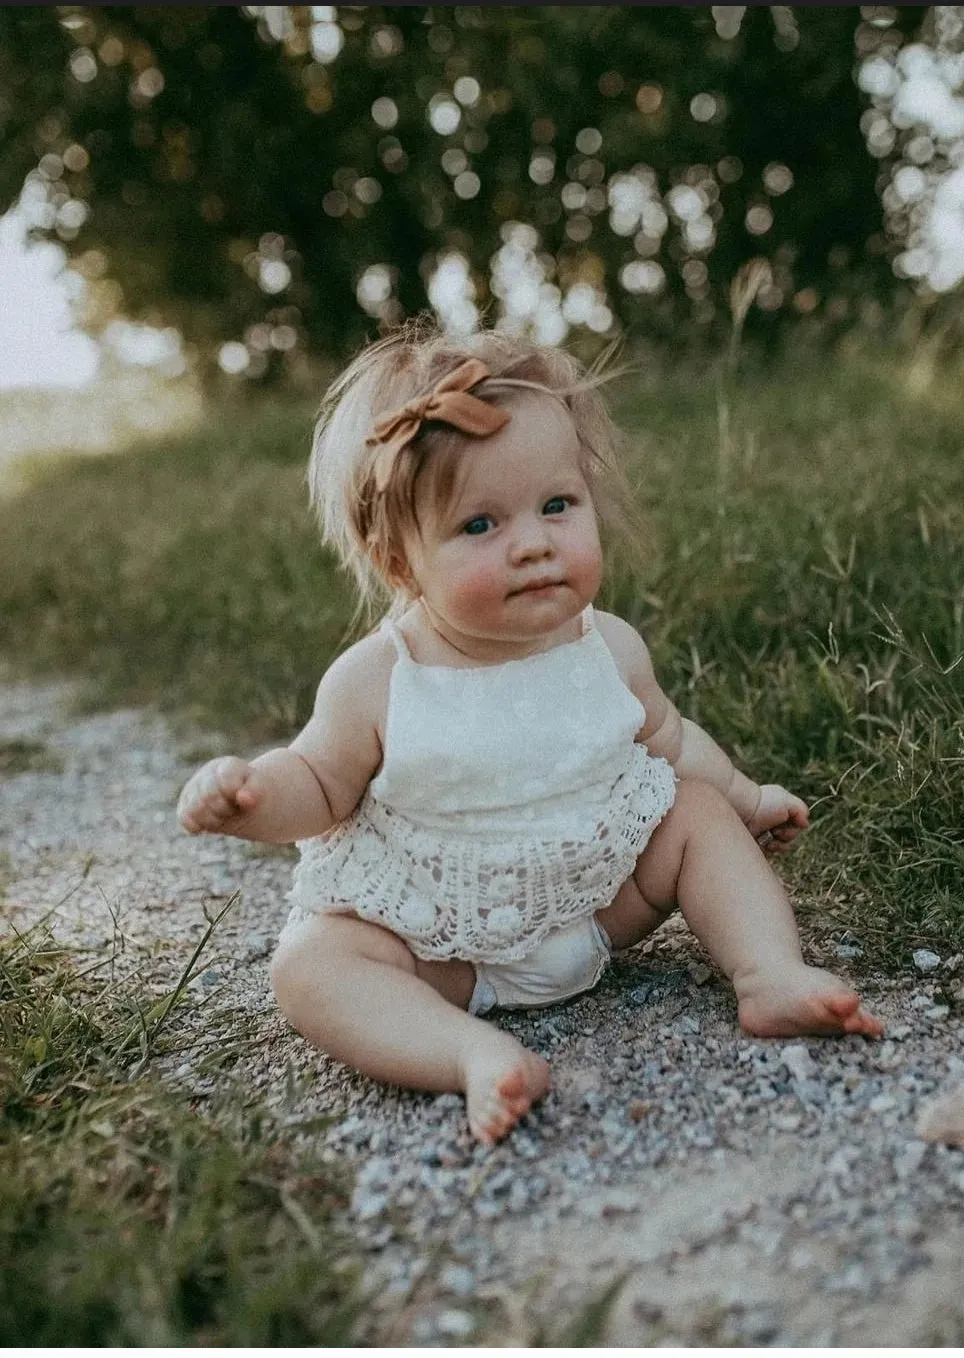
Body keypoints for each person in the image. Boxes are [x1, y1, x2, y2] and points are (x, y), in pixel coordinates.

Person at [177, 319, 883, 1147]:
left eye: (556, 506)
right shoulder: (378, 679)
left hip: (594, 908)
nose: (534, 546)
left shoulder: (606, 647)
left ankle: (769, 972)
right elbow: (319, 787)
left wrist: (744, 796)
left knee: (694, 813)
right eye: (481, 526)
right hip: (434, 947)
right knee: (310, 968)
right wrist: (252, 796)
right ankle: (467, 1050)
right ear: (398, 561)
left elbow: (669, 739)